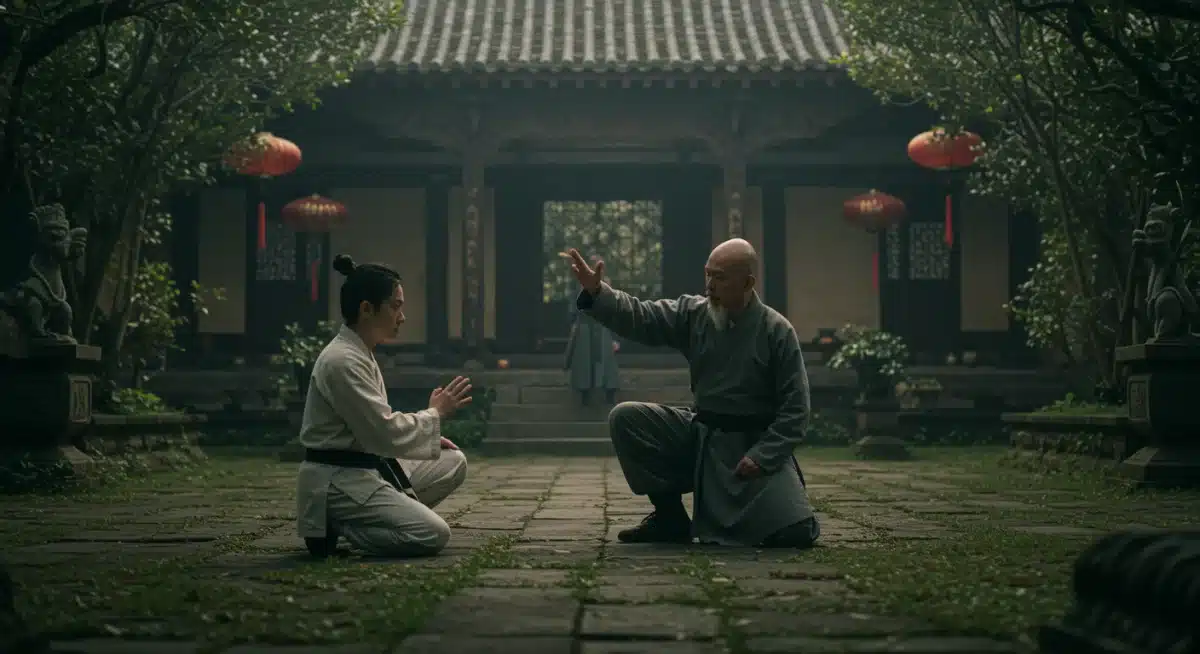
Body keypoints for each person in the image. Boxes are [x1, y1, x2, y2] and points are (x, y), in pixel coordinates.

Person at [564, 238, 820, 548]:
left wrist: (764, 456)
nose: (710, 284)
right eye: (708, 274)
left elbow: (796, 409)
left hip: (751, 446)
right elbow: (642, 316)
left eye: (720, 277)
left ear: (748, 282)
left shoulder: (776, 330)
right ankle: (669, 517)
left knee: (795, 531)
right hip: (702, 437)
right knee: (627, 417)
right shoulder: (694, 313)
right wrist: (597, 293)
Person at [296, 254, 474, 558]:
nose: (401, 317)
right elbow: (382, 432)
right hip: (338, 480)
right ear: (367, 309)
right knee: (432, 534)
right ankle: (339, 523)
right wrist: (435, 414)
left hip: (366, 467)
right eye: (396, 306)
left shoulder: (358, 352)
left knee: (453, 460)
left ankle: (389, 511)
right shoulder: (342, 361)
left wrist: (428, 430)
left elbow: (378, 427)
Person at [565, 255, 621, 406]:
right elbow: (573, 310)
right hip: (584, 326)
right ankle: (584, 393)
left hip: (603, 326)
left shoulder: (607, 285)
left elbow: (614, 310)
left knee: (607, 361)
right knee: (584, 360)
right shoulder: (579, 284)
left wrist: (616, 338)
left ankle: (610, 392)